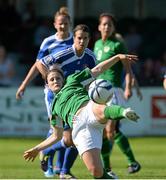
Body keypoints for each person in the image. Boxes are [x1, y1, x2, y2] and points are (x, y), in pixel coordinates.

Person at [23, 53, 139, 179]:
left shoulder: (72, 81)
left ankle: (123, 112)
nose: (55, 81)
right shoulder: (54, 109)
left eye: (58, 78)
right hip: (80, 129)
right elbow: (56, 136)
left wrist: (117, 58)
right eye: (52, 79)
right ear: (47, 85)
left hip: (88, 110)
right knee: (96, 171)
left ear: (63, 80)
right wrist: (37, 148)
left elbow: (98, 70)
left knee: (99, 108)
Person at [16, 7, 78, 179]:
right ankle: (52, 159)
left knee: (71, 130)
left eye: (66, 24)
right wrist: (24, 85)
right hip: (53, 92)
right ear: (54, 25)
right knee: (60, 128)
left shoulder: (76, 42)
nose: (63, 27)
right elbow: (37, 65)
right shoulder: (48, 42)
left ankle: (60, 168)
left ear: (70, 24)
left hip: (72, 92)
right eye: (60, 24)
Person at [93, 13, 141, 175]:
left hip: (113, 91)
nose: (106, 27)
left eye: (109, 25)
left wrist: (128, 87)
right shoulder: (97, 44)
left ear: (113, 28)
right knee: (108, 131)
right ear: (99, 27)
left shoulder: (118, 45)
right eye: (104, 24)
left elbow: (128, 70)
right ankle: (130, 163)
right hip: (99, 93)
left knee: (110, 130)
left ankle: (110, 168)